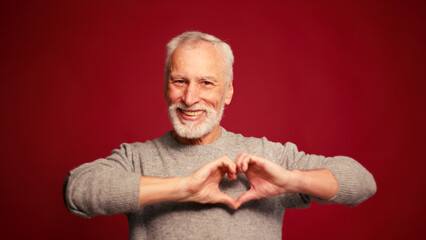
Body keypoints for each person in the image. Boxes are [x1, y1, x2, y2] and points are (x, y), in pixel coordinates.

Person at [63, 31, 376, 239]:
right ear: (164, 86)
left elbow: (361, 182)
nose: (189, 98)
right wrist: (184, 188)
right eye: (180, 81)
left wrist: (291, 181)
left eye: (206, 83)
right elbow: (77, 191)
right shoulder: (138, 158)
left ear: (228, 92)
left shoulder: (266, 157)